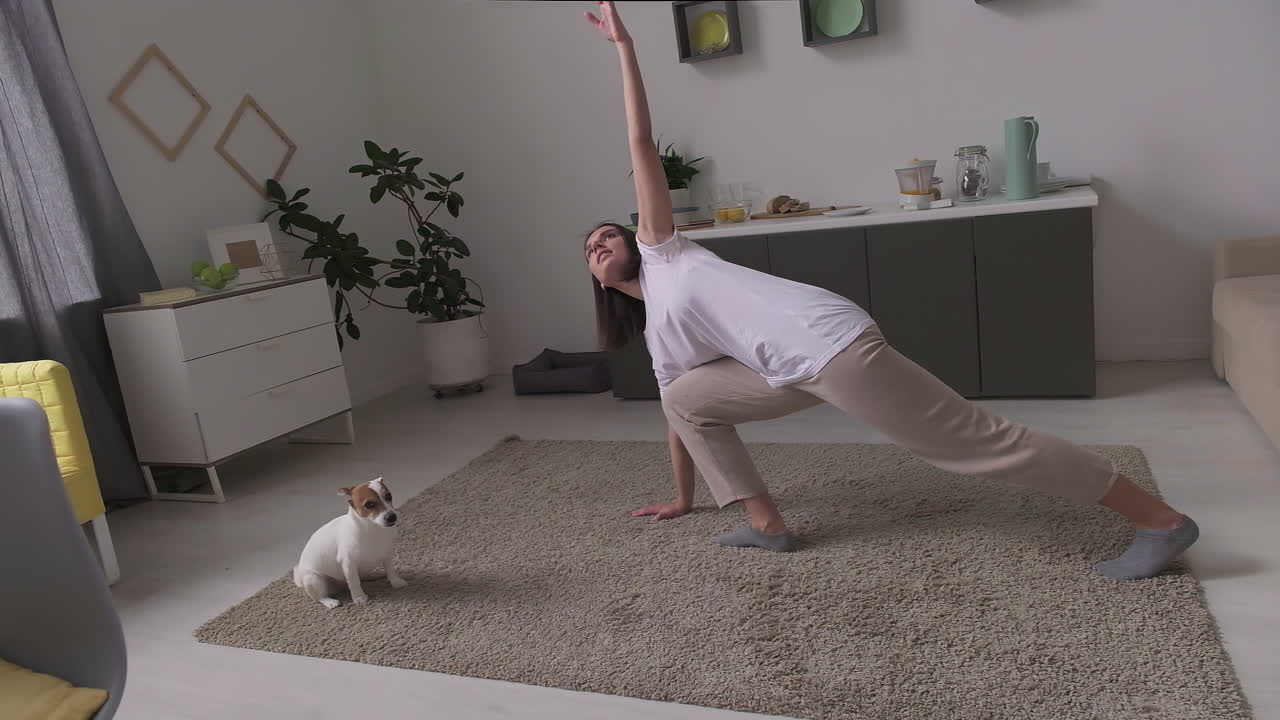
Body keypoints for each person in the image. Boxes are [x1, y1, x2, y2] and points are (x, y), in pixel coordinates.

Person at [581, 1, 1197, 579]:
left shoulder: (664, 251)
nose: (600, 245)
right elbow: (684, 418)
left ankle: (1159, 520)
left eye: (608, 233)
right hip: (788, 370)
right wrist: (682, 500)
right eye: (590, 249)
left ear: (635, 238)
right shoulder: (661, 335)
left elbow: (642, 150)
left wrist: (625, 50)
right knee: (682, 399)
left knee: (975, 442)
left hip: (828, 344)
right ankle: (765, 524)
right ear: (595, 278)